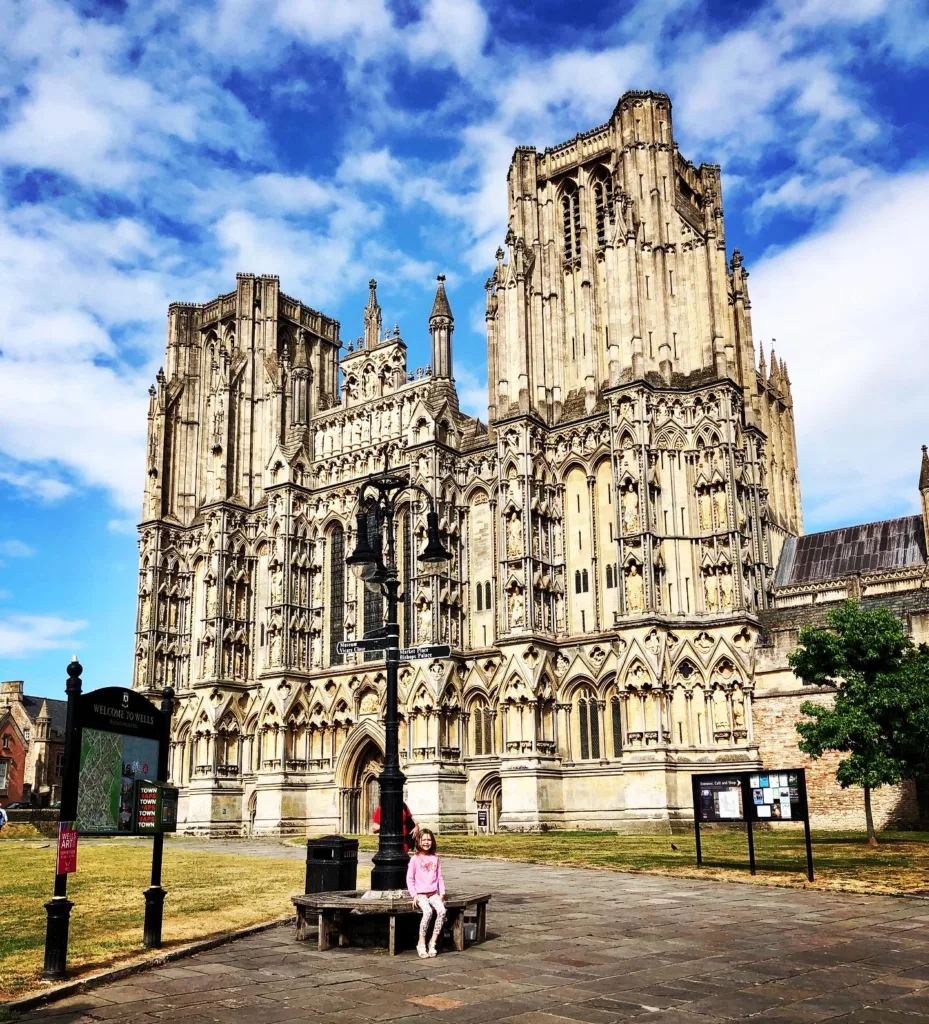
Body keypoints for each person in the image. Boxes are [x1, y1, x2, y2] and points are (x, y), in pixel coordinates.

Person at [406, 828, 446, 958]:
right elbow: (410, 878)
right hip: (421, 894)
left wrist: (442, 893)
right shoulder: (415, 859)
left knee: (442, 911)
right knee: (428, 912)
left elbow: (440, 877)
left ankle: (432, 942)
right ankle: (421, 942)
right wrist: (414, 895)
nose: (427, 842)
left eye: (429, 840)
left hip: (433, 893)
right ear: (419, 842)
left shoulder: (435, 859)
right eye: (424, 840)